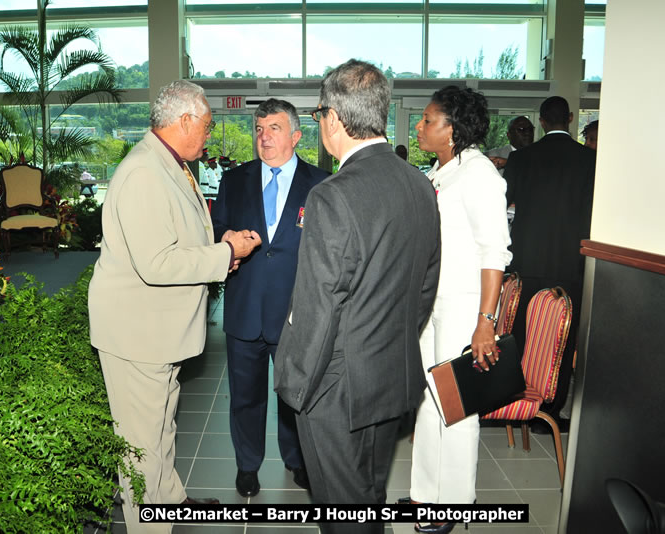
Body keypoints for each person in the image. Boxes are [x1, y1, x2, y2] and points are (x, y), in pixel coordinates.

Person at [88, 80, 262, 534]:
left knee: (161, 428)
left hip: (156, 331)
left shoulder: (170, 163)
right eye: (206, 125)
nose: (209, 134)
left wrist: (217, 244)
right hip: (137, 333)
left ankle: (170, 501)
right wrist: (227, 255)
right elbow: (156, 262)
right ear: (184, 120)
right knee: (140, 445)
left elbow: (173, 237)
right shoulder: (146, 171)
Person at [274, 59, 441, 533]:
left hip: (336, 388)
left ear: (333, 119)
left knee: (343, 509)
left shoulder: (333, 196)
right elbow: (425, 284)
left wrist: (296, 386)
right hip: (391, 373)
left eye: (318, 115)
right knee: (368, 494)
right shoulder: (419, 185)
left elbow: (317, 306)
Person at [407, 85, 512, 534]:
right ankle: (425, 495)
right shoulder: (441, 169)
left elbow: (495, 253)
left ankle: (454, 505)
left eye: (428, 120)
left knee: (458, 407)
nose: (420, 126)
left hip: (465, 305)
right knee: (431, 404)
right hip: (434, 304)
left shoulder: (480, 174)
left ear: (452, 129)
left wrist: (485, 324)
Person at [212, 98, 329, 498]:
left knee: (293, 397)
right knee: (245, 397)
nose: (264, 137)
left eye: (274, 128)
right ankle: (247, 465)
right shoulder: (235, 180)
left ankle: (296, 460)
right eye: (259, 129)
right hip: (244, 309)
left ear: (296, 135)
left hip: (296, 313)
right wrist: (225, 238)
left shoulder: (321, 183)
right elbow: (217, 230)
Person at [504, 96, 596, 431]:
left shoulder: (522, 159)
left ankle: (513, 403)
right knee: (560, 339)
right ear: (570, 119)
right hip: (572, 263)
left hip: (527, 260)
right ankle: (550, 414)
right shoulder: (590, 160)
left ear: (541, 121)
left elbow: (505, 204)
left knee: (521, 334)